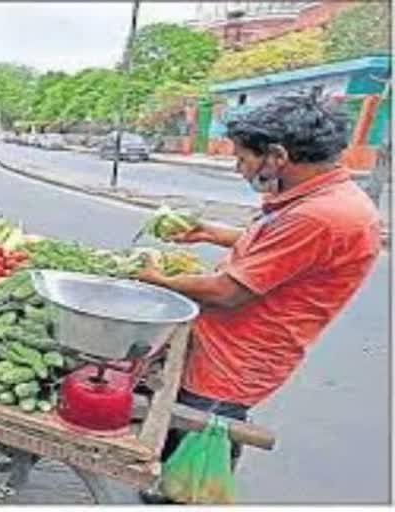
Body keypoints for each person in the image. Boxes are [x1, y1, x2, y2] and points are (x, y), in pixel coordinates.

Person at [133, 92, 381, 503]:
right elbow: (278, 247)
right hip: (226, 347)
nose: (238, 168)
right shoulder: (319, 197)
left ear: (277, 155)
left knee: (197, 447)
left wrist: (152, 277)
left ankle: (181, 498)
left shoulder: (321, 216)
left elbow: (228, 292)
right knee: (186, 442)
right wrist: (213, 233)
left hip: (233, 360)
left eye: (243, 158)